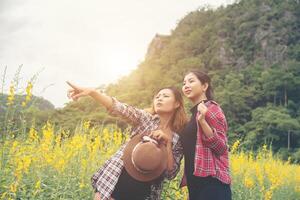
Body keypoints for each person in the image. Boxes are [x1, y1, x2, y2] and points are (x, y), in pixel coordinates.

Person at [66, 82, 187, 200]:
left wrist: (168, 143)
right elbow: (120, 108)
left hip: (145, 193)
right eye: (157, 97)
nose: (159, 99)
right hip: (114, 182)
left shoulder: (178, 138)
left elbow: (170, 174)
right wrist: (93, 92)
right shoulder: (145, 119)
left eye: (165, 96)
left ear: (177, 103)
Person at [180, 70, 232, 200]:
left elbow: (221, 148)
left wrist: (203, 122)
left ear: (204, 86)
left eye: (191, 81)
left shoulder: (212, 108)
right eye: (184, 83)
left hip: (213, 185)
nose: (186, 85)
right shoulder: (192, 115)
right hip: (195, 185)